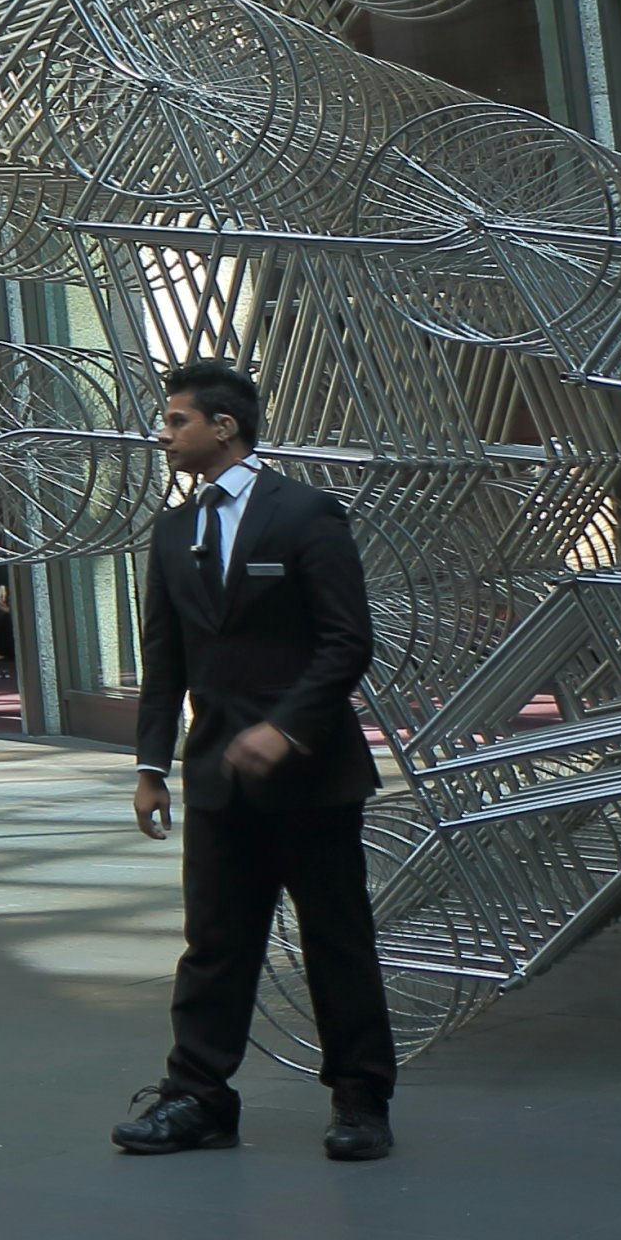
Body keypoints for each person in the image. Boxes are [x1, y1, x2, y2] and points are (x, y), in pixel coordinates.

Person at [117, 358, 397, 1163]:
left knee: (336, 939)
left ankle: (360, 1098)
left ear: (223, 426)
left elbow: (349, 642)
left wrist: (285, 728)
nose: (163, 433)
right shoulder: (171, 532)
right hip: (216, 779)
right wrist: (148, 766)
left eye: (176, 420)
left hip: (313, 775)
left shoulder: (306, 513)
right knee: (214, 943)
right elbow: (163, 659)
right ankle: (198, 1096)